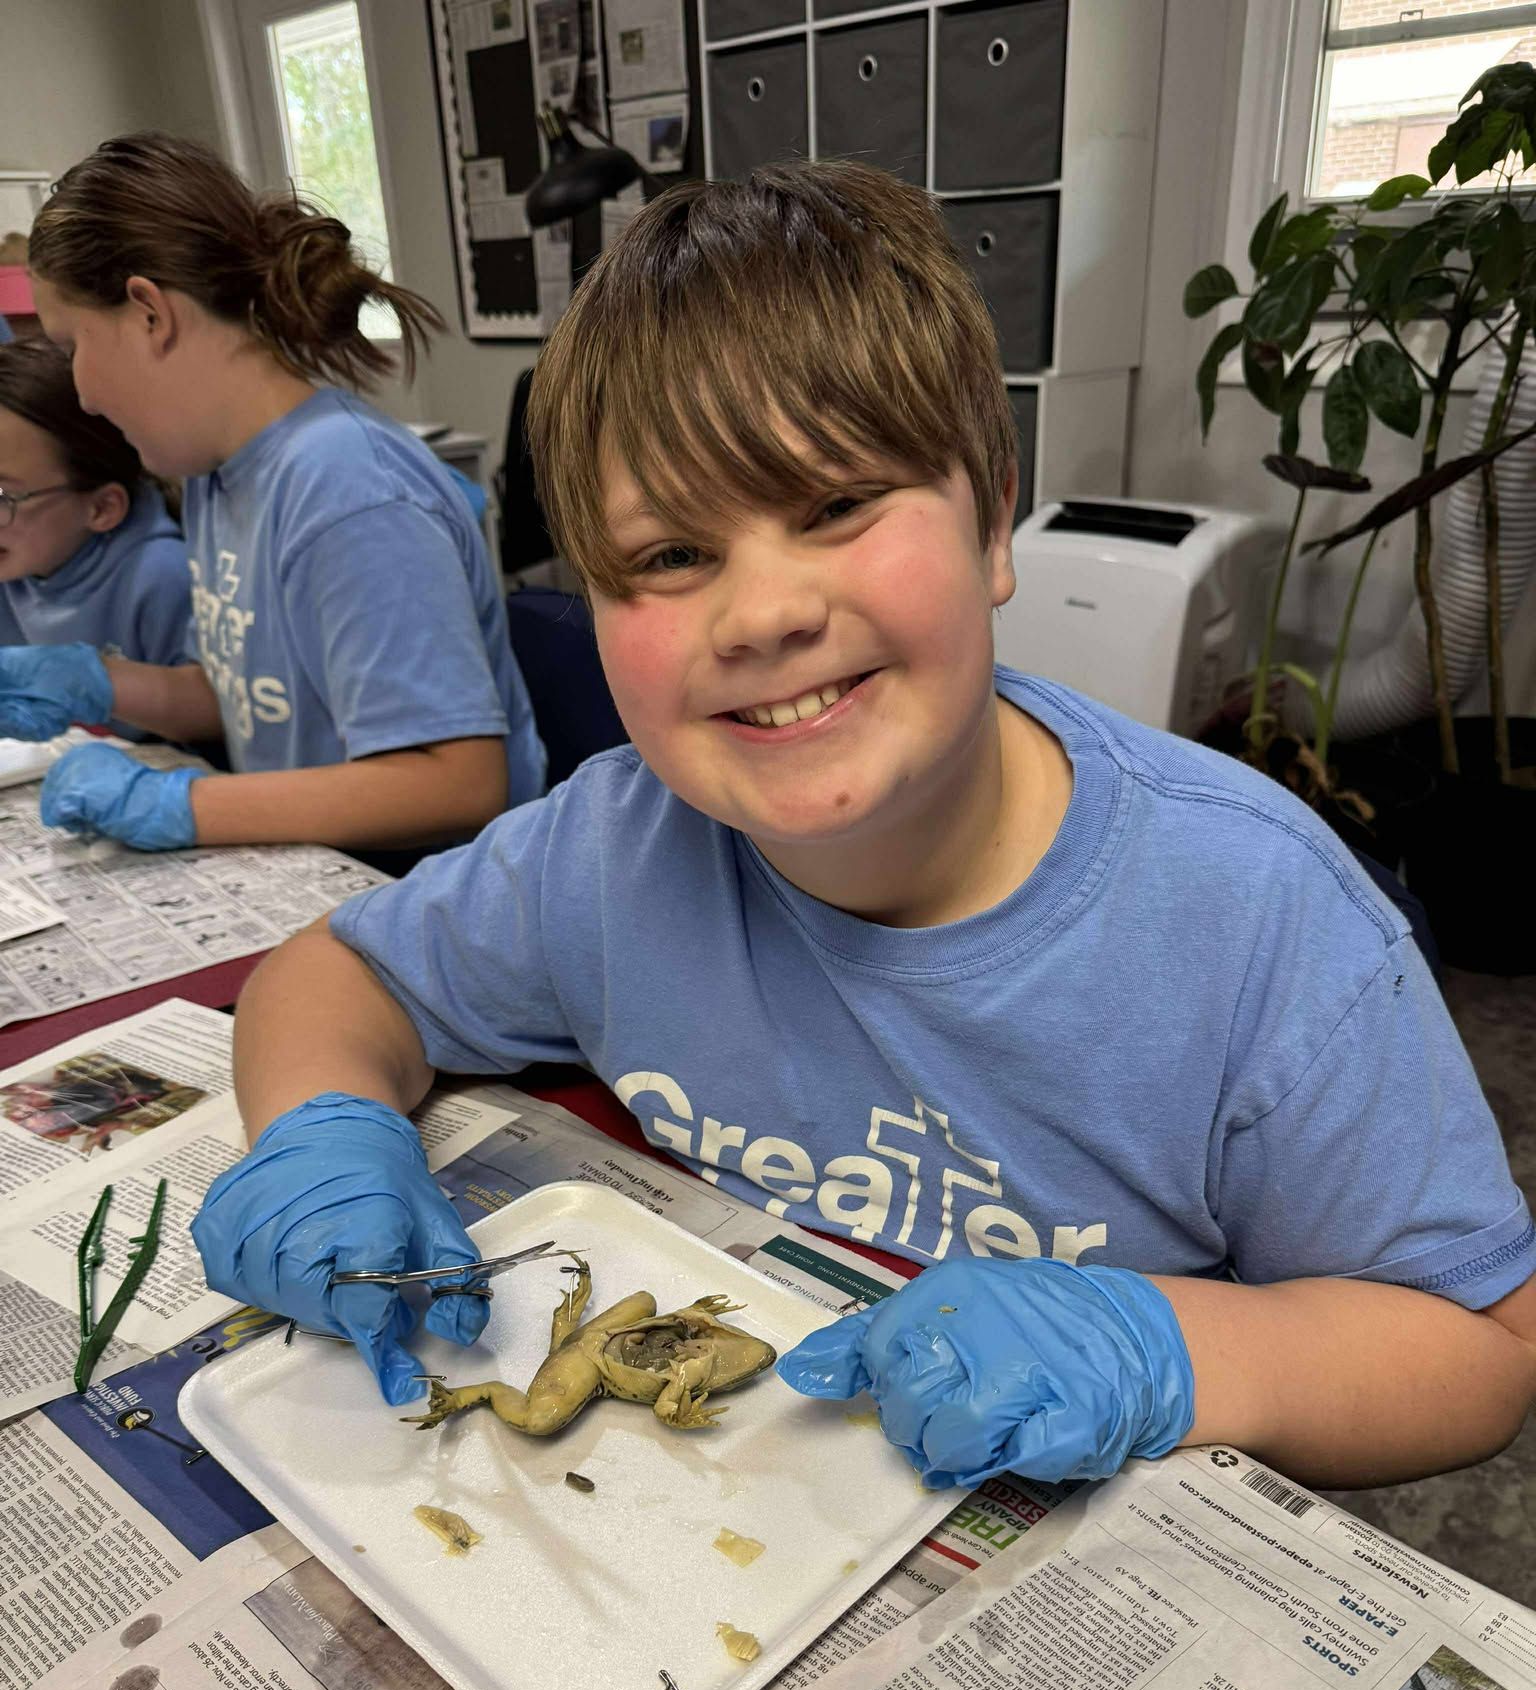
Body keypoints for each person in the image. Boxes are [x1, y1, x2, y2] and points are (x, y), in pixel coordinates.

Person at [189, 160, 1536, 1490]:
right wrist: (319, 1131)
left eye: (835, 506)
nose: (764, 612)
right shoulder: (609, 847)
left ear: (993, 518)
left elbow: (1479, 1352)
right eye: (668, 555)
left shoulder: (1261, 920)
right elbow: (336, 977)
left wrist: (1170, 1345)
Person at [4, 131, 543, 856]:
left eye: (75, 351)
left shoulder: (346, 488)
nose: (84, 397)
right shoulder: (212, 477)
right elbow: (239, 694)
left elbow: (456, 785)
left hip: (428, 898)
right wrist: (96, 683)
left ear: (149, 313)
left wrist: (182, 804)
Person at [0, 337, 190, 672]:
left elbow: (203, 717)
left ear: (102, 508)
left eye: (2, 496)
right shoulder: (17, 559)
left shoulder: (160, 582)